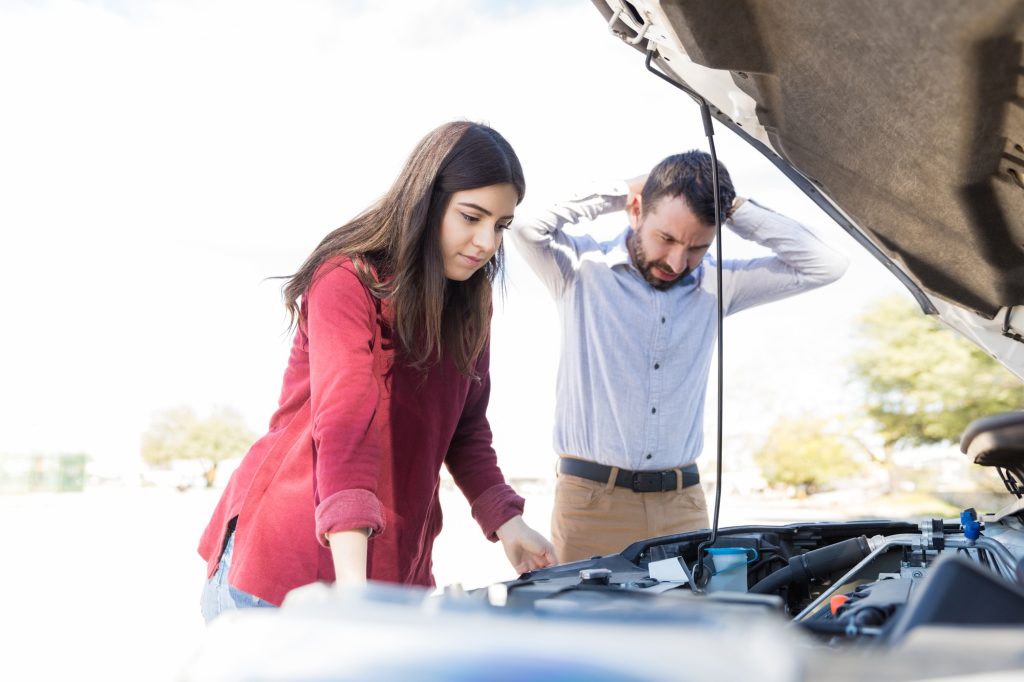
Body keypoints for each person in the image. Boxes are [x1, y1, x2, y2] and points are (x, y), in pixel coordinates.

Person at [198, 121, 557, 622]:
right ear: (426, 202)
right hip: (288, 575)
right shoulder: (346, 279)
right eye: (471, 217)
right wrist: (354, 592)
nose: (486, 242)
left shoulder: (470, 302)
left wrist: (508, 523)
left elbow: (466, 428)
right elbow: (347, 428)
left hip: (392, 573)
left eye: (500, 225)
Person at [511, 150, 850, 563]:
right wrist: (620, 192)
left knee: (684, 627)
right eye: (666, 238)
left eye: (697, 247)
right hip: (591, 507)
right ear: (636, 212)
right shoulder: (579, 269)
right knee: (588, 626)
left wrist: (735, 209)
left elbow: (826, 266)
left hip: (683, 506)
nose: (677, 262)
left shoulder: (720, 283)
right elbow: (526, 226)